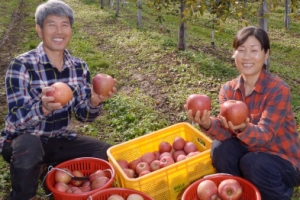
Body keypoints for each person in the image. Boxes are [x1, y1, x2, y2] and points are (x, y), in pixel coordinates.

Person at [0, 0, 117, 199]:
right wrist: (43, 108)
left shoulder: (79, 67)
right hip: (22, 141)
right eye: (51, 24)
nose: (59, 31)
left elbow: (83, 115)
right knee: (30, 146)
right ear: (39, 30)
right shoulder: (21, 65)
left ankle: (49, 170)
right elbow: (16, 119)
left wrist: (95, 101)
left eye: (64, 25)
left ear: (71, 30)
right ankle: (23, 195)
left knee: (107, 154)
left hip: (59, 140)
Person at [185, 26, 300, 200]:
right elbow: (225, 132)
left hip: (284, 160)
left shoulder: (278, 90)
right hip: (250, 151)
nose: (247, 56)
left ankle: (276, 192)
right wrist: (207, 123)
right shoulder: (228, 90)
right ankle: (237, 193)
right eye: (241, 50)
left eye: (254, 50)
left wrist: (243, 128)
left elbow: (266, 135)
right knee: (220, 148)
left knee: (254, 163)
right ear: (234, 54)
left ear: (266, 54)